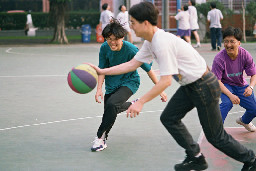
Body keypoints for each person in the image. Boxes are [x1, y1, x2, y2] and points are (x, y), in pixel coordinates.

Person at [89, 2, 256, 171]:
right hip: (190, 85)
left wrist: (140, 102)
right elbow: (132, 64)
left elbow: (165, 81)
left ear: (145, 23)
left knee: (215, 137)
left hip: (204, 85)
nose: (130, 26)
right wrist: (103, 70)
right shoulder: (150, 41)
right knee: (169, 117)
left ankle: (251, 160)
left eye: (133, 22)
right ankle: (196, 157)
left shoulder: (161, 42)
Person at [91, 19, 167, 152]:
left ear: (122, 37)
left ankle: (100, 138)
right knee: (110, 111)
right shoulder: (104, 48)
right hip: (111, 84)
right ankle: (132, 104)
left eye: (115, 39)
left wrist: (160, 89)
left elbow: (148, 70)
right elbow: (101, 70)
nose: (112, 42)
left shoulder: (131, 49)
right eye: (109, 39)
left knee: (112, 105)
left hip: (129, 82)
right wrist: (98, 90)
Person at [211, 26, 256, 132]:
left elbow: (253, 74)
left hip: (240, 84)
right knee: (227, 103)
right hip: (224, 84)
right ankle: (215, 130)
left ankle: (244, 121)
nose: (229, 45)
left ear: (239, 43)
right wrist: (231, 95)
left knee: (254, 109)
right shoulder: (219, 59)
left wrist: (250, 87)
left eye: (232, 41)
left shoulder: (245, 55)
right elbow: (217, 81)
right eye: (226, 41)